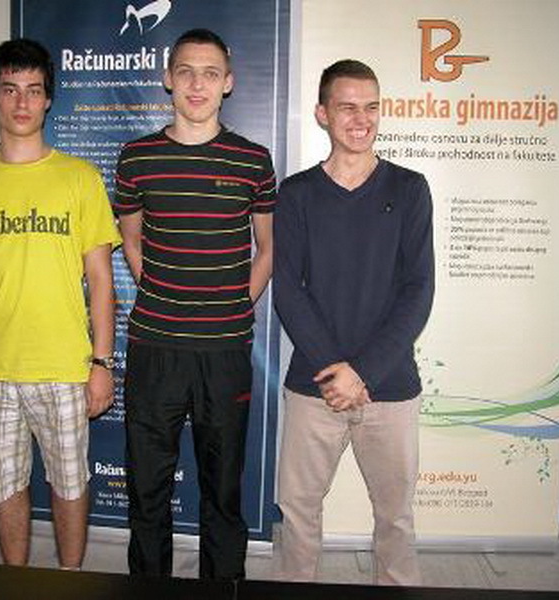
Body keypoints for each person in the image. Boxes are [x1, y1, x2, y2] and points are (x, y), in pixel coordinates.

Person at [0, 38, 121, 569]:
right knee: (4, 488)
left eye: (34, 90)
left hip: (64, 369)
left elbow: (101, 281)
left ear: (48, 99)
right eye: (10, 89)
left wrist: (102, 363)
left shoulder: (80, 179)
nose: (22, 102)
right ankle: (15, 582)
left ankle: (69, 577)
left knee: (69, 484)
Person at [112, 28, 276, 580]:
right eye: (185, 72)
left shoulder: (253, 160)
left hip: (225, 351)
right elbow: (132, 242)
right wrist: (163, 295)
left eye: (210, 73)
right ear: (168, 79)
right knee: (147, 490)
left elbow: (267, 249)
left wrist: (234, 304)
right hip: (154, 347)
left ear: (227, 83)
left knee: (222, 491)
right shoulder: (137, 158)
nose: (197, 84)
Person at [273, 59, 434, 585]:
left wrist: (361, 372)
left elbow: (418, 291)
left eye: (371, 107)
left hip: (390, 387)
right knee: (298, 514)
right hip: (313, 387)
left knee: (396, 519)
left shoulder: (410, 189)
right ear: (323, 114)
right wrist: (334, 370)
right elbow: (288, 291)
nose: (361, 119)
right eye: (347, 107)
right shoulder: (296, 194)